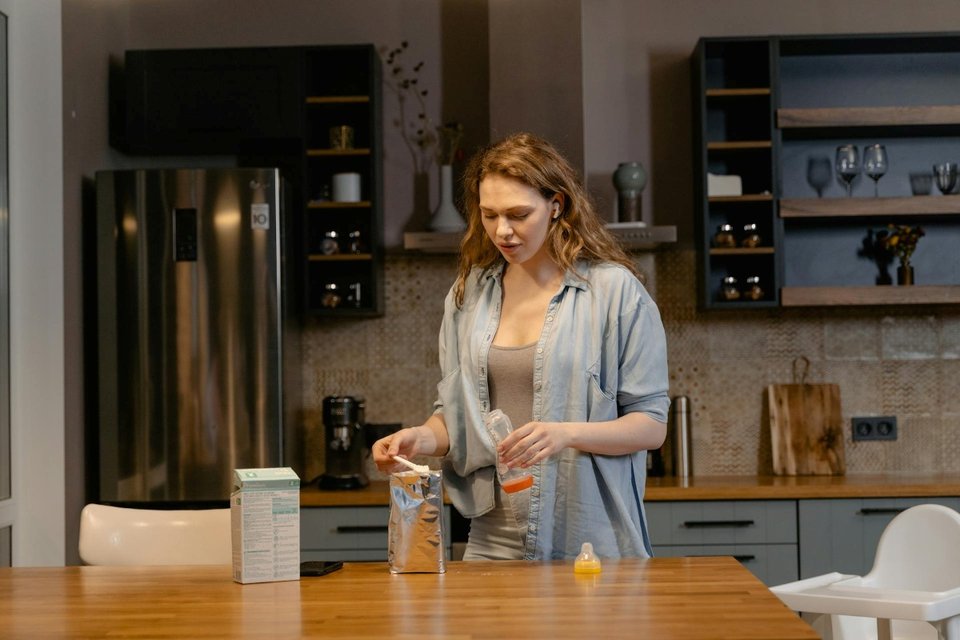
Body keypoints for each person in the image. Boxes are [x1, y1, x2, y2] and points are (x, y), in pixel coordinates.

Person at [373, 132, 670, 561]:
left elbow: (651, 427)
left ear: (557, 205)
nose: (502, 231)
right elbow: (456, 418)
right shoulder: (469, 294)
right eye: (489, 215)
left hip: (589, 537)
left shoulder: (614, 292)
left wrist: (564, 432)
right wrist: (418, 439)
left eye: (518, 214)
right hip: (491, 536)